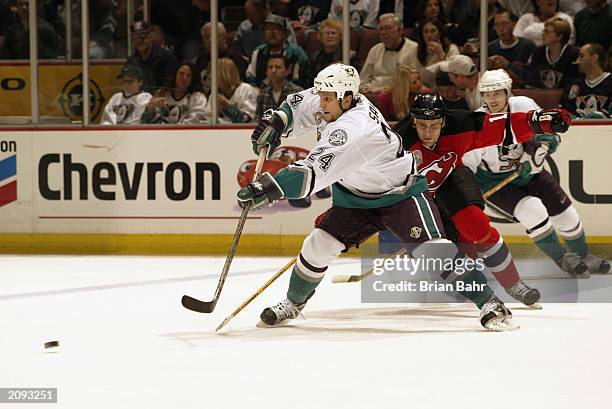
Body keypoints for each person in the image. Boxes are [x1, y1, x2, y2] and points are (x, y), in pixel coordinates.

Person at [239, 63, 543, 330]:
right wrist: (277, 121)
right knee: (318, 246)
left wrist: (266, 191)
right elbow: (301, 104)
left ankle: (489, 303)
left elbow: (310, 174)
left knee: (433, 253)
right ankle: (294, 303)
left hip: (399, 194)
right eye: (323, 95)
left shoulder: (354, 129)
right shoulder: (335, 100)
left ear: (347, 98)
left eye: (328, 97)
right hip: (355, 197)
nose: (321, 102)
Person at [394, 92, 572, 306]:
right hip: (416, 195)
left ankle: (513, 283)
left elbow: (501, 126)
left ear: (443, 120)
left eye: (434, 125)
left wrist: (539, 123)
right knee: (442, 257)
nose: (428, 132)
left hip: (451, 178)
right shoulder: (395, 143)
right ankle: (474, 286)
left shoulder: (459, 124)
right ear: (413, 120)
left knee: (476, 226)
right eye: (422, 125)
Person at [462, 69, 610, 276]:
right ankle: (562, 258)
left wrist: (538, 153)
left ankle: (584, 255)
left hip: (530, 171)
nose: (491, 99)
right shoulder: (477, 123)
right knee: (533, 211)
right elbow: (466, 168)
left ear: (507, 92)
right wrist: (469, 198)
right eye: (487, 94)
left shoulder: (523, 105)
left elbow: (548, 132)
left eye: (496, 93)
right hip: (493, 183)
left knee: (567, 214)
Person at [246, 13, 310, 88]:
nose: (272, 33)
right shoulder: (259, 51)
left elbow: (300, 81)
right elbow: (250, 76)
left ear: (285, 33)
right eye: (268, 29)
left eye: (276, 29)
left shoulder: (297, 53)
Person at [359, 13, 418, 93]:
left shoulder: (413, 49)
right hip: (373, 95)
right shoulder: (375, 50)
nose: (383, 32)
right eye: (381, 29)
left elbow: (413, 81)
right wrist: (366, 88)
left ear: (400, 31)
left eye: (388, 28)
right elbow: (363, 79)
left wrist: (382, 90)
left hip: (398, 96)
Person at [522, 17, 580, 89]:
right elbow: (531, 78)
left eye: (547, 31)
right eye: (543, 31)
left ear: (559, 36)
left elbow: (575, 80)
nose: (543, 34)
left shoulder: (574, 54)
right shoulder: (538, 52)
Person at [142, 61, 207, 124]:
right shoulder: (162, 93)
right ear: (175, 75)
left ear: (193, 79)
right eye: (181, 73)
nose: (184, 78)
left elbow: (196, 120)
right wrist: (150, 108)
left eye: (189, 75)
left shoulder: (198, 98)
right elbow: (146, 121)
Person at [487, 8, 536, 87]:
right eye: (497, 25)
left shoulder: (527, 45)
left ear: (514, 24)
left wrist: (508, 65)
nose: (501, 29)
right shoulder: (490, 47)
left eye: (505, 23)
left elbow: (532, 76)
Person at [561, 43, 612, 117]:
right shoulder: (574, 85)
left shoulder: (610, 82)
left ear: (594, 58)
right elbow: (565, 111)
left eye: (582, 56)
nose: (577, 61)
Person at [126, 21, 178, 92]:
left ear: (151, 36)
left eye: (143, 36)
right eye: (136, 37)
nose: (140, 41)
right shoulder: (131, 61)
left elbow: (170, 86)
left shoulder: (166, 58)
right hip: (139, 100)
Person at [194, 22, 249, 89]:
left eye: (212, 36)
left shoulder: (236, 58)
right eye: (206, 37)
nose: (210, 40)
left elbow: (239, 84)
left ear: (223, 37)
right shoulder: (201, 59)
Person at [204, 58, 259, 124]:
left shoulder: (245, 89)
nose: (209, 77)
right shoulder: (214, 94)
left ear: (224, 73)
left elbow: (245, 120)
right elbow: (208, 120)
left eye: (212, 73)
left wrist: (227, 107)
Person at [413, 17, 460, 87]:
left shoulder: (452, 49)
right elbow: (420, 77)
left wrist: (441, 54)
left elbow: (455, 73)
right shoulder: (417, 50)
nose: (429, 35)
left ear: (440, 33)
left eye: (433, 31)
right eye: (426, 32)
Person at [256, 55, 304, 120]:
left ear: (287, 71)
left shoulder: (297, 92)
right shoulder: (262, 94)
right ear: (266, 72)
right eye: (270, 67)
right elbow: (258, 120)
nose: (273, 70)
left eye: (278, 67)